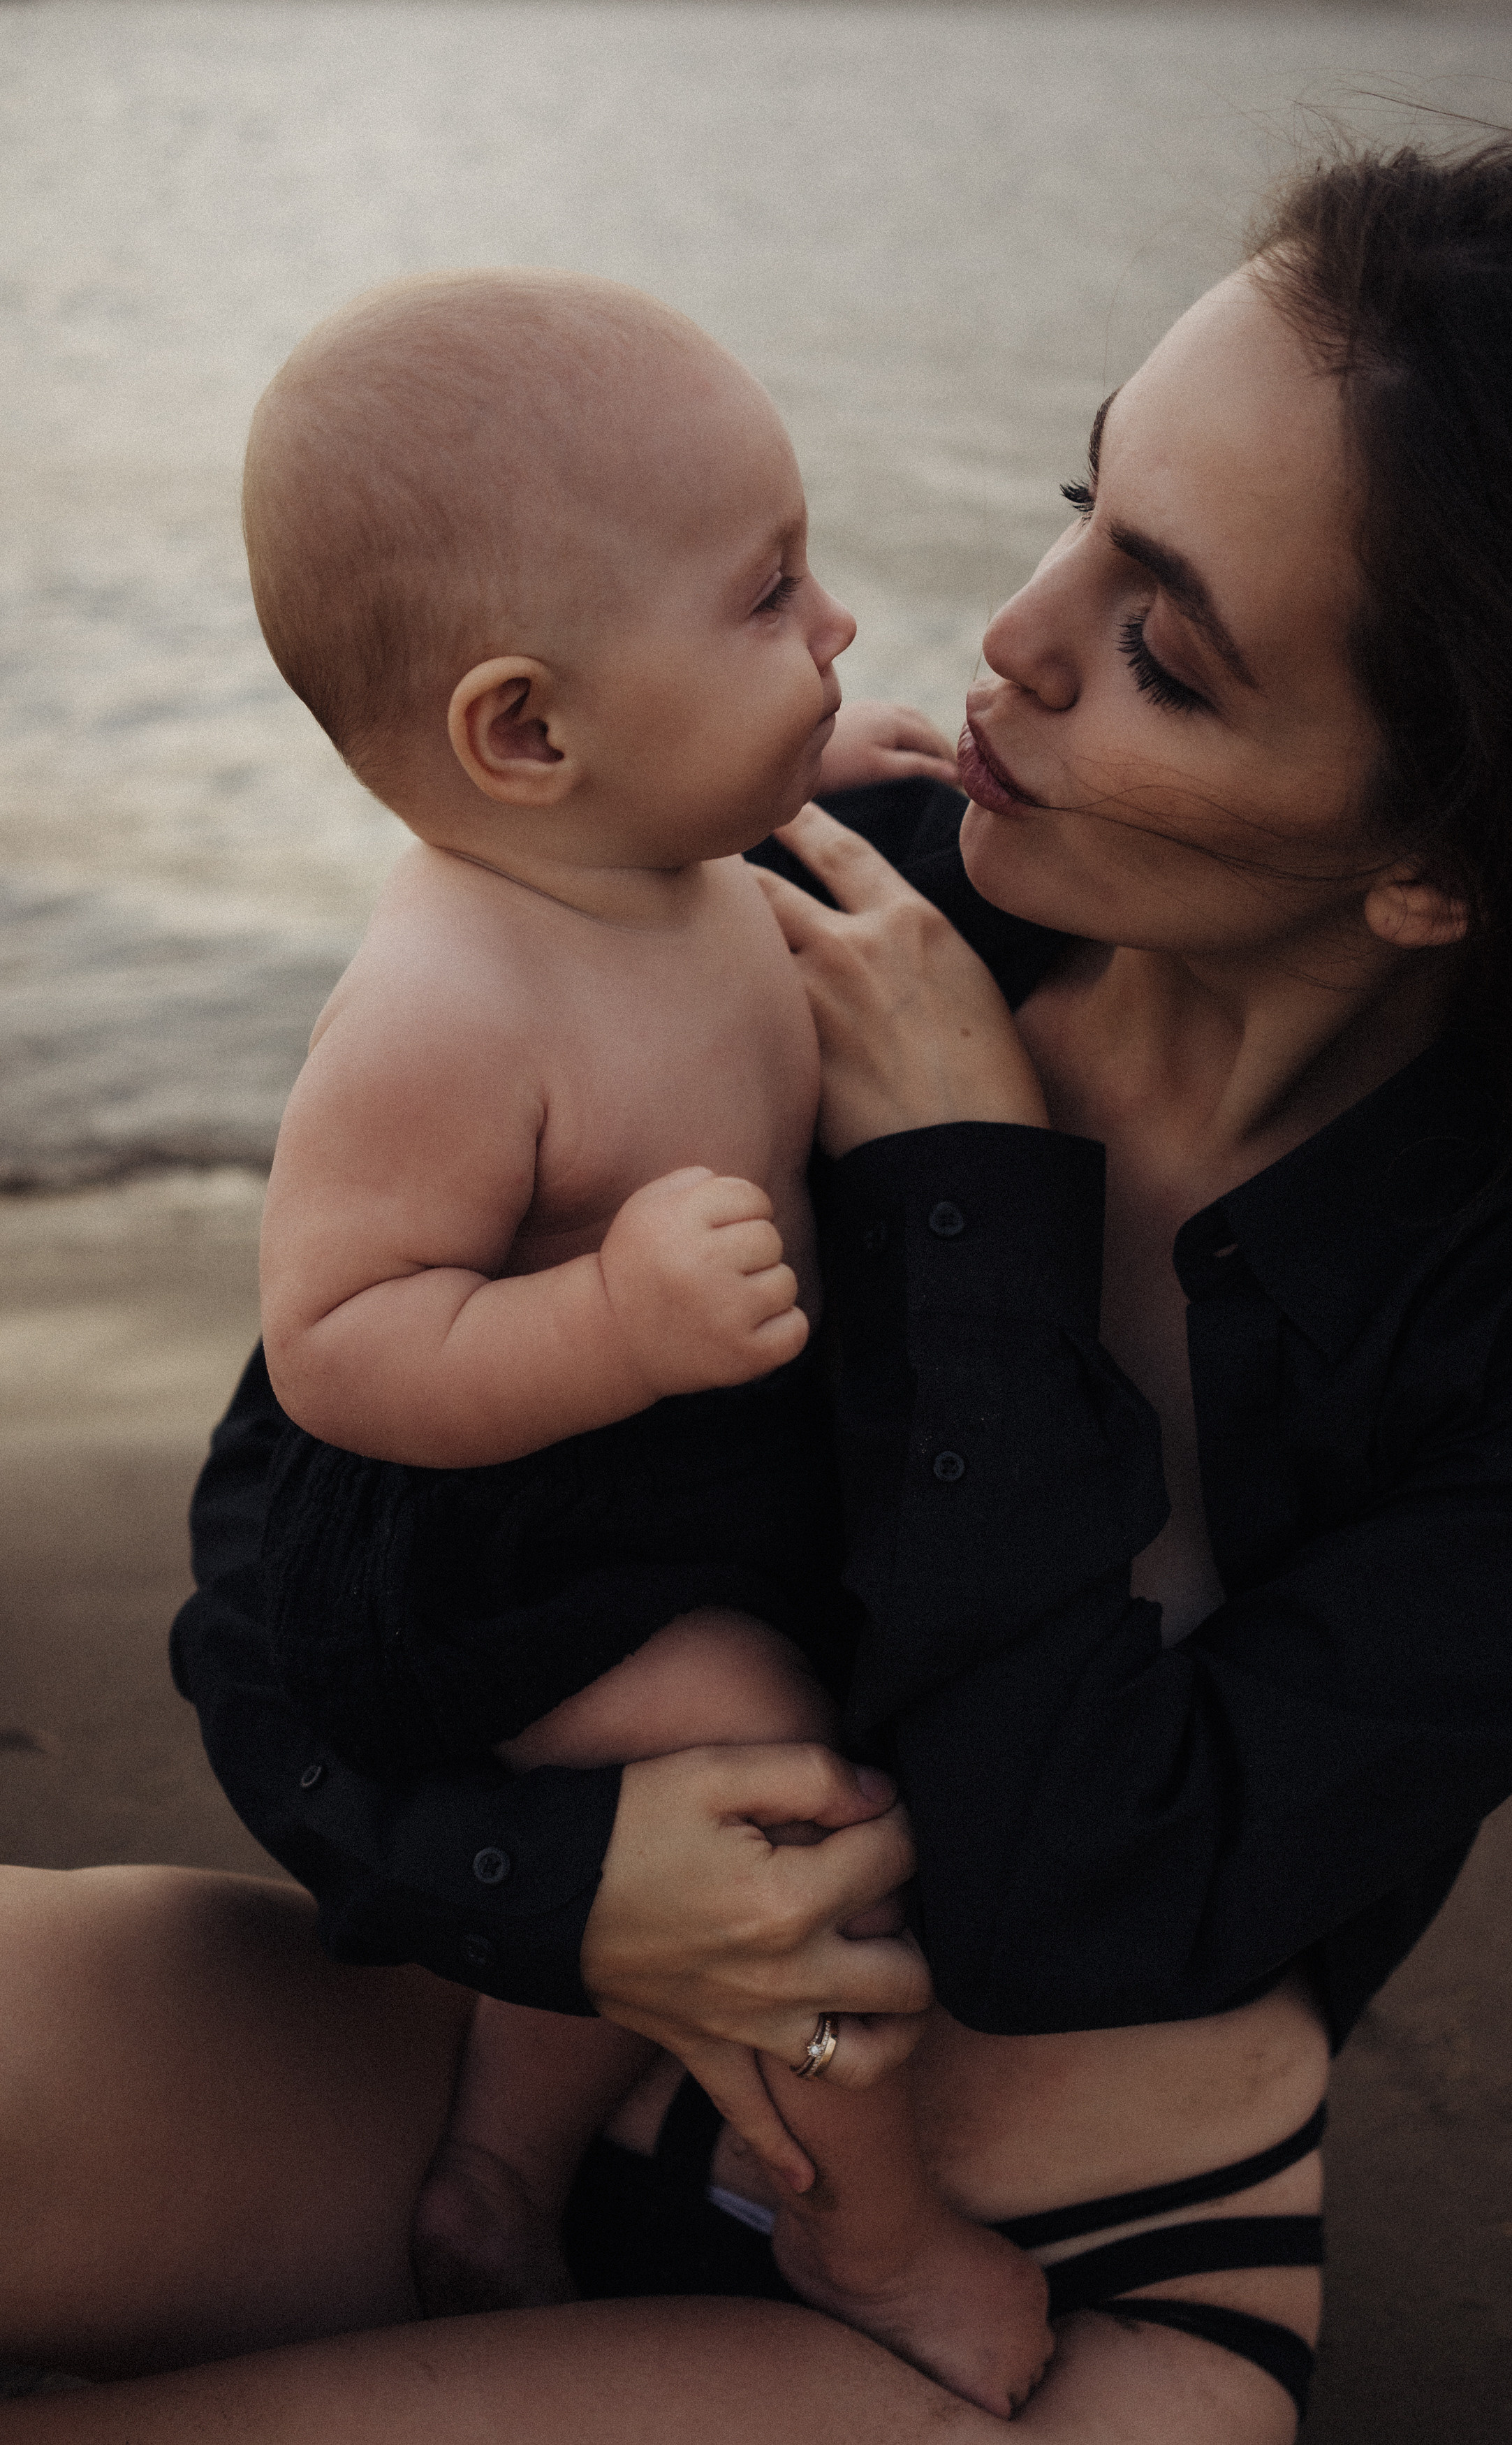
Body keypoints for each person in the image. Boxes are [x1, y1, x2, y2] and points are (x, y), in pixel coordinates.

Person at [127, 113, 1512, 2442]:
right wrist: (549, 1885)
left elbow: (1079, 1891)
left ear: (1438, 866)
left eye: (1162, 646)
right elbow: (272, 1575)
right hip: (489, 2049)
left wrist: (956, 1186)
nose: (1007, 646)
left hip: (1070, 2274)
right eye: (1080, 503)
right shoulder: (830, 875)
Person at [240, 270, 1050, 2410]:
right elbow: (335, 1340)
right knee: (775, 1785)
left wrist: (829, 756)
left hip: (680, 1469)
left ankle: (497, 2169)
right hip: (514, 1538)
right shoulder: (448, 1004)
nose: (843, 627)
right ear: (526, 729)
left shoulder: (661, 845)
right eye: (773, 594)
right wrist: (605, 1313)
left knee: (688, 1776)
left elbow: (753, 817)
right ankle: (870, 2225)